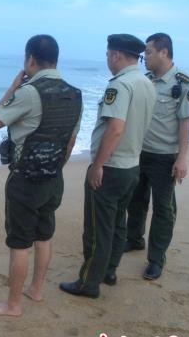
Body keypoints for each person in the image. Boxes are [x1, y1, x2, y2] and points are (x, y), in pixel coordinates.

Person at [0, 34, 82, 316]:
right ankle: (36, 290)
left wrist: (12, 88)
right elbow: (71, 142)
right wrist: (55, 168)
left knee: (19, 243)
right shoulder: (74, 93)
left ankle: (13, 304)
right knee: (44, 236)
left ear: (30, 59)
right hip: (54, 178)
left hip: (26, 180)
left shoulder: (29, 92)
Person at [59, 34, 156, 298]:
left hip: (111, 166)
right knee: (117, 224)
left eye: (108, 55)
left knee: (97, 229)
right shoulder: (147, 84)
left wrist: (98, 165)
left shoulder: (120, 86)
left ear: (115, 55)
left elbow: (115, 128)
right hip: (132, 165)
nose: (107, 60)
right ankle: (109, 271)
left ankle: (88, 283)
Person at [125, 33, 189, 280]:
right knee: (136, 200)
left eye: (148, 52)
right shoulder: (144, 80)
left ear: (163, 53)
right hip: (139, 152)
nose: (143, 57)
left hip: (165, 156)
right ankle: (134, 239)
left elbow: (185, 123)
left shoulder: (185, 83)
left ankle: (156, 259)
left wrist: (182, 158)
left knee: (163, 209)